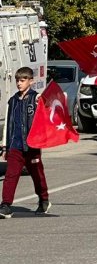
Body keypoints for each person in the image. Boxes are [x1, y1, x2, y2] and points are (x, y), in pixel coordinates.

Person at [0, 67, 51, 218]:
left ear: (31, 81)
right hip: (15, 145)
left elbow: (46, 111)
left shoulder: (36, 98)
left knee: (37, 174)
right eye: (17, 80)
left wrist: (42, 102)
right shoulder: (12, 101)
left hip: (32, 145)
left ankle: (44, 200)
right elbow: (8, 124)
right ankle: (6, 205)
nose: (19, 83)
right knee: (11, 175)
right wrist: (5, 146)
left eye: (22, 80)